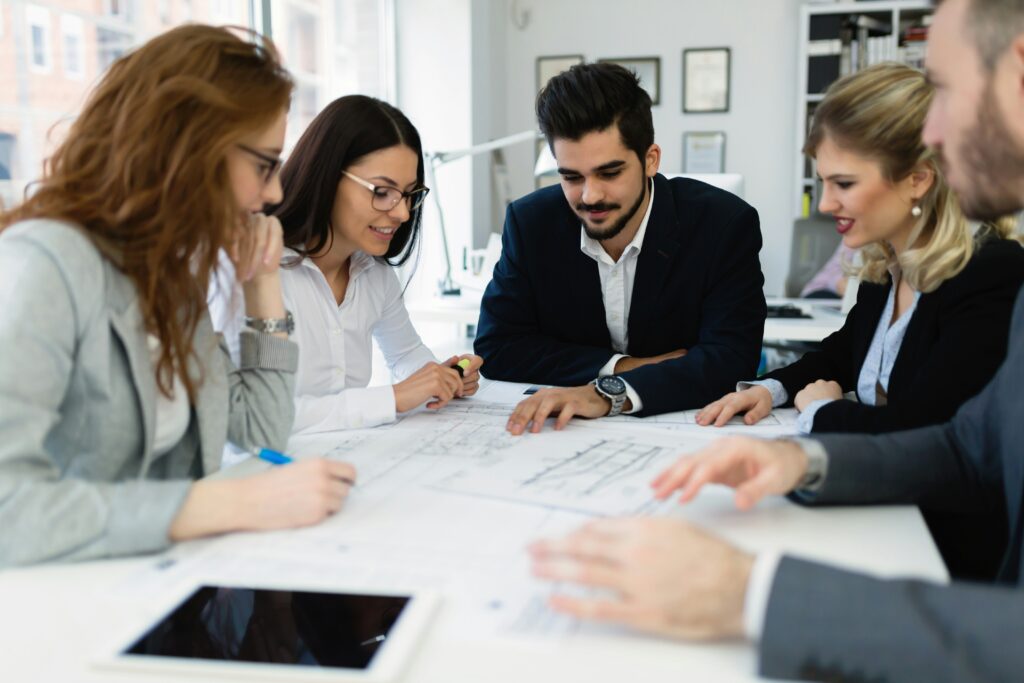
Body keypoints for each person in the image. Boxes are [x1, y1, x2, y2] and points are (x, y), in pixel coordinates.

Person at [529, 1, 1024, 679]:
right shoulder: (891, 271)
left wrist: (750, 590)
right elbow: (970, 448)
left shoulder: (994, 276)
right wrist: (800, 452)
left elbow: (943, 438)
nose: (934, 129)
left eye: (941, 88)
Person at [0, 26, 356, 569]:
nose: (277, 193)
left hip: (148, 585)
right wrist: (221, 502)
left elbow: (261, 435)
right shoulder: (45, 264)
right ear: (188, 148)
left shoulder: (171, 274)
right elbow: (9, 509)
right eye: (264, 165)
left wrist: (262, 286)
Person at [699, 63, 1024, 437]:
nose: (824, 205)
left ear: (917, 179)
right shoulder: (887, 265)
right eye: (823, 182)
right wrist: (770, 389)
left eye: (844, 184)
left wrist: (821, 411)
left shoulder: (991, 274)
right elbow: (841, 355)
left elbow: (924, 430)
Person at [474, 62, 766, 433]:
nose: (590, 195)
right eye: (571, 177)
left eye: (609, 173)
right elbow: (498, 348)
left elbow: (731, 360)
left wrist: (605, 393)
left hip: (682, 433)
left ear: (650, 160)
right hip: (561, 437)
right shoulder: (531, 223)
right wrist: (626, 367)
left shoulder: (723, 224)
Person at [210, 96, 482, 435]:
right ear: (326, 176)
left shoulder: (374, 274)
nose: (402, 213)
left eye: (410, 194)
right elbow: (253, 417)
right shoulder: (255, 269)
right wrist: (394, 398)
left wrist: (443, 376)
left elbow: (406, 354)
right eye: (382, 191)